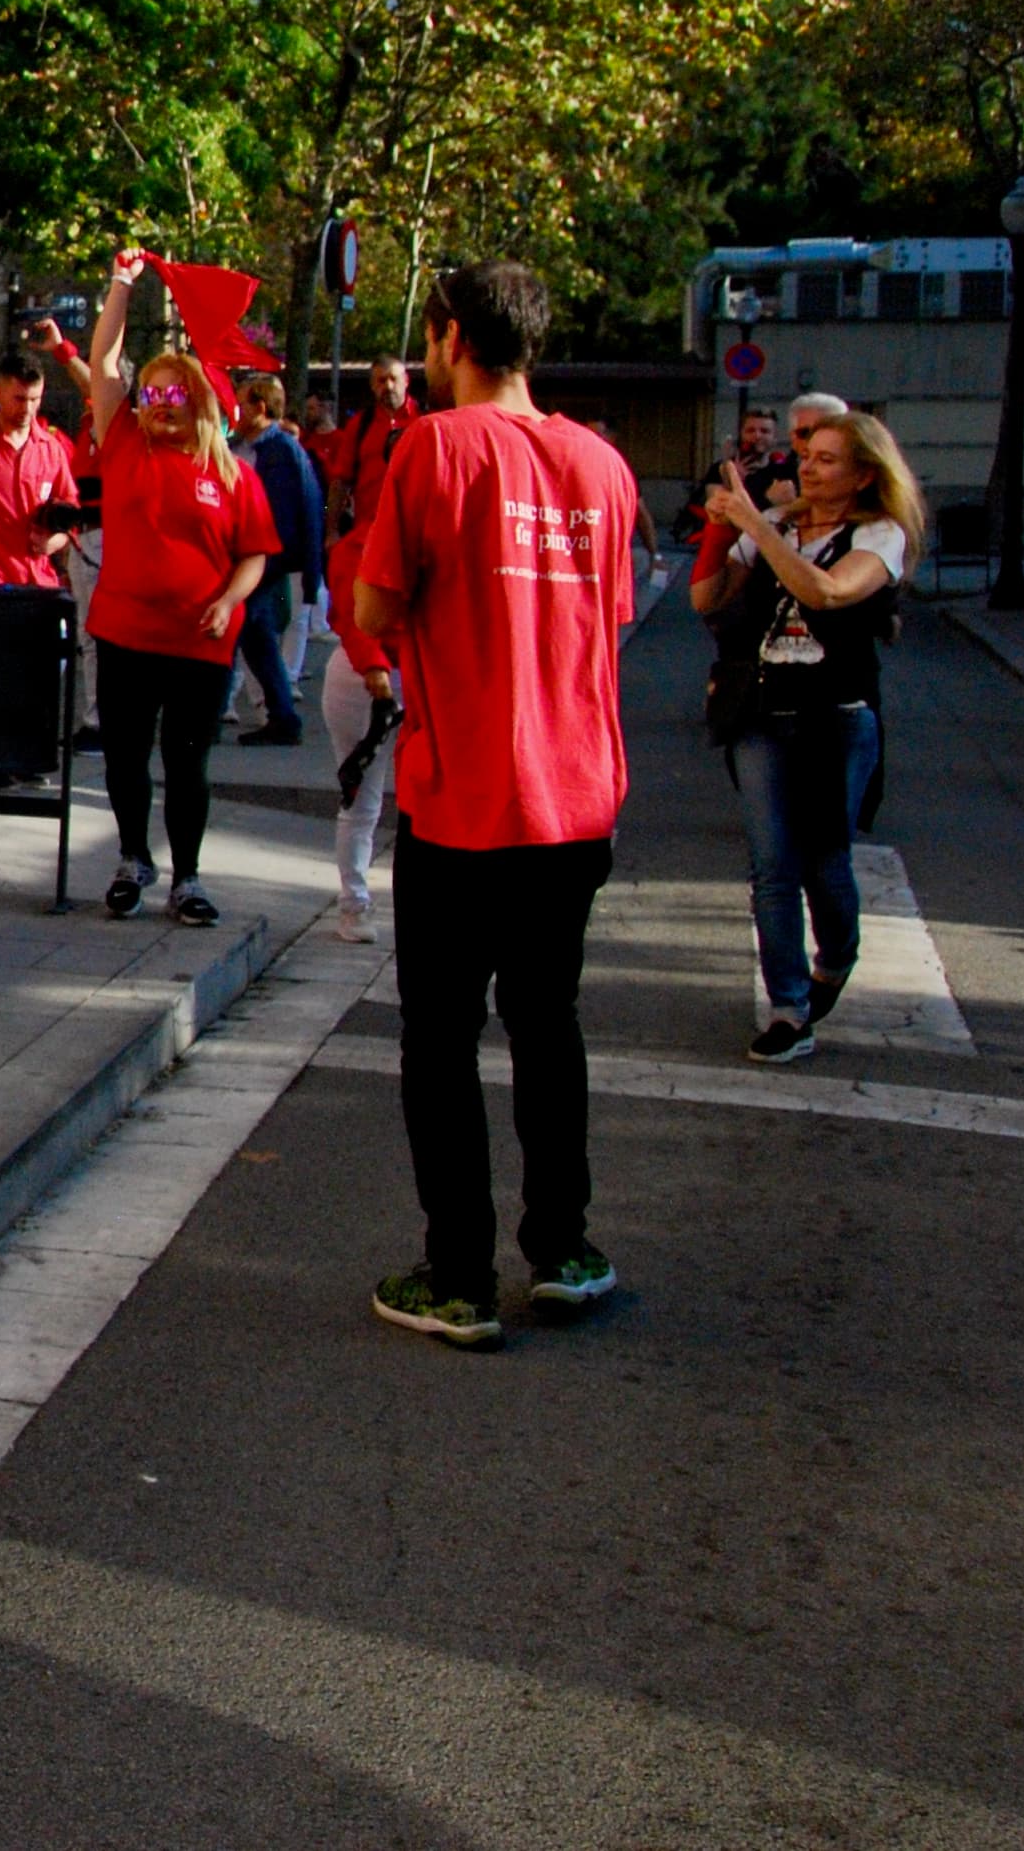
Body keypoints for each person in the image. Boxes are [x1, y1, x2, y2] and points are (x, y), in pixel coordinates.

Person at [352, 259, 641, 1349]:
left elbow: (380, 603)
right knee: (547, 1021)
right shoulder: (603, 465)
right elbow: (605, 619)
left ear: (447, 335)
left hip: (466, 791)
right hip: (577, 795)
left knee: (439, 1038)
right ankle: (563, 1247)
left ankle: (460, 1274)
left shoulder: (434, 446)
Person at [695, 406, 923, 1064]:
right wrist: (725, 529)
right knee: (772, 866)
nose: (809, 468)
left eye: (828, 459)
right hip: (762, 714)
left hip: (836, 717)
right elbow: (706, 598)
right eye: (807, 454)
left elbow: (824, 591)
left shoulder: (878, 534)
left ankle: (837, 956)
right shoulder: (778, 526)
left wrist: (762, 531)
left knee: (825, 863)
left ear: (861, 476)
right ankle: (790, 1008)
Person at [79, 255, 280, 925]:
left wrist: (229, 600)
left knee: (187, 761)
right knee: (125, 755)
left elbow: (254, 553)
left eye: (174, 396)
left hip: (200, 639)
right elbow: (104, 359)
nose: (160, 407)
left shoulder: (231, 473)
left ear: (197, 401)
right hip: (126, 630)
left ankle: (188, 875)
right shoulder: (125, 440)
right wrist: (124, 284)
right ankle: (134, 856)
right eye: (151, 394)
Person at [319, 510, 401, 945]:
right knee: (362, 799)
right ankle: (354, 903)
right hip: (366, 675)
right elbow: (354, 614)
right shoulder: (359, 543)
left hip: (416, 671)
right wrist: (374, 666)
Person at [231, 375, 324, 745]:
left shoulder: (281, 452)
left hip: (263, 558)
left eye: (241, 404)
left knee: (242, 628)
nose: (234, 412)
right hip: (254, 557)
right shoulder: (247, 447)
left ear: (260, 408)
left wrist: (270, 560)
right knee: (256, 637)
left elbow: (285, 513)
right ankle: (282, 715)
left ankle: (275, 714)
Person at [0, 352, 82, 591]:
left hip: (37, 581)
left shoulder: (51, 448)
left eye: (34, 399)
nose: (27, 408)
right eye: (19, 399)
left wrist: (57, 539)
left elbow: (73, 511)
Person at [322, 356, 420, 533]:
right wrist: (331, 530)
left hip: (415, 530)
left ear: (406, 381)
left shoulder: (425, 421)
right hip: (368, 531)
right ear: (373, 386)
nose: (388, 386)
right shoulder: (359, 426)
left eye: (393, 379)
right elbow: (339, 483)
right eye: (381, 381)